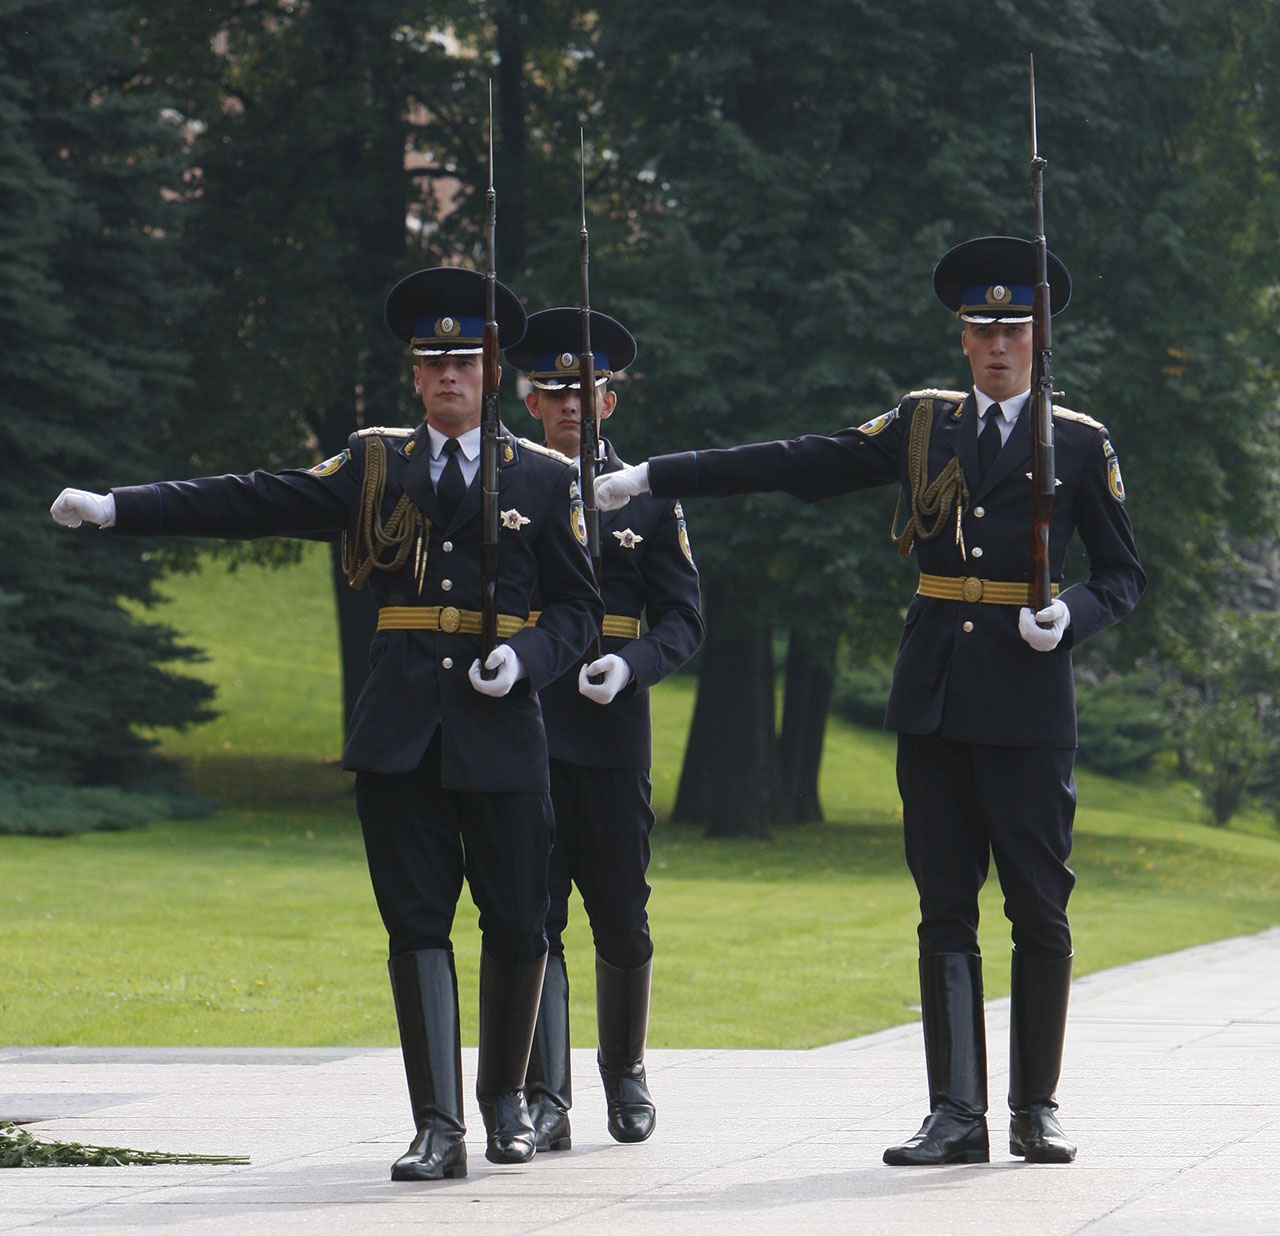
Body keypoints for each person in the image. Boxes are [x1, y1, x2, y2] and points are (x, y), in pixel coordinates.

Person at [595, 236, 1146, 1166]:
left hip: (1026, 703)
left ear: (1039, 334)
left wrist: (1073, 612)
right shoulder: (922, 425)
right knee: (943, 907)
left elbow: (1125, 575)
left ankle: (1034, 1108)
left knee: (1040, 908)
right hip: (934, 696)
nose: (999, 344)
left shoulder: (1081, 442)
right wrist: (658, 475)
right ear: (963, 339)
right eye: (982, 329)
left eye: (1014, 328)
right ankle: (956, 1111)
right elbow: (802, 461)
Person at [49, 267, 605, 1182]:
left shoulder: (543, 479)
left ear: (493, 371)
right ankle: (437, 1125)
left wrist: (532, 659)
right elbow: (257, 498)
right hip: (401, 731)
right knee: (415, 924)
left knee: (515, 923)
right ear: (415, 376)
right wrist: (122, 508)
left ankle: (503, 1099)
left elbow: (579, 612)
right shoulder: (372, 462)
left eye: (466, 360)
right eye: (433, 364)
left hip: (501, 730)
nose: (449, 377)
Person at [503, 308, 703, 1149]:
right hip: (529, 723)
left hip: (612, 725)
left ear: (609, 402)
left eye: (586, 392)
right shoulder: (505, 488)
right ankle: (546, 1095)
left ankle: (624, 1072)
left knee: (620, 911)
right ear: (531, 404)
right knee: (534, 913)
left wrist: (633, 665)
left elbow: (684, 621)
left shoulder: (649, 496)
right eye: (554, 392)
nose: (572, 406)